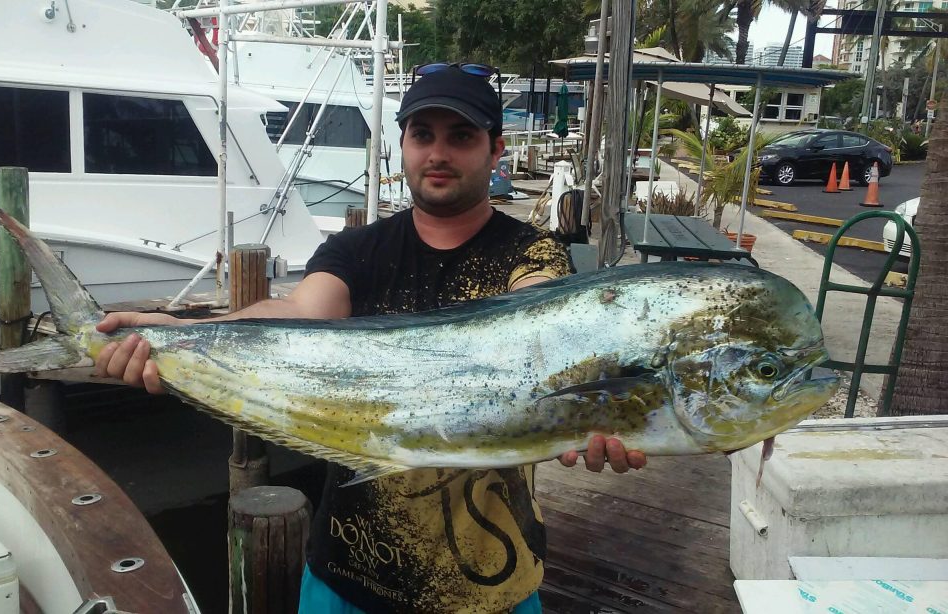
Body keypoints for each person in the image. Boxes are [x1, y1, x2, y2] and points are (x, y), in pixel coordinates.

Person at [95, 63, 647, 614]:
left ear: (495, 149)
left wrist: (607, 408)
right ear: (401, 144)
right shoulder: (357, 248)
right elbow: (301, 312)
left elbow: (551, 319)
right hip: (347, 575)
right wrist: (184, 335)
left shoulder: (532, 254)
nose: (438, 153)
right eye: (422, 135)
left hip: (489, 588)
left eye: (461, 136)